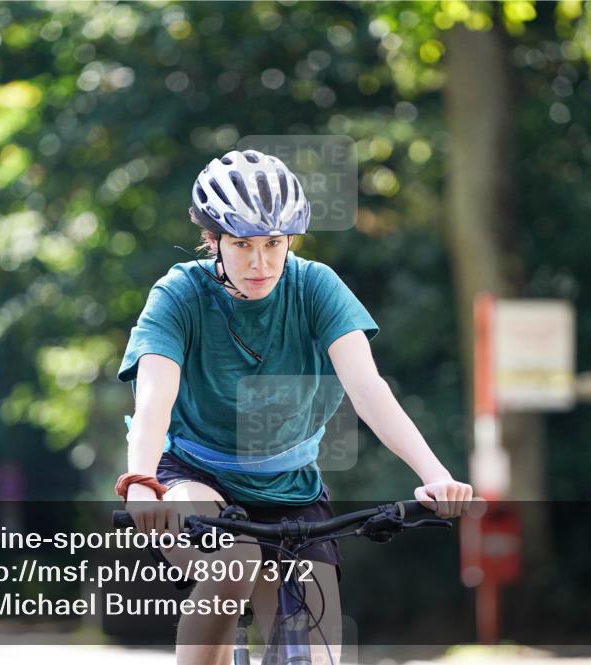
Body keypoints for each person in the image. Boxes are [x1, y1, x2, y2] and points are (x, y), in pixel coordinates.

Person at [116, 149, 473, 665]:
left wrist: (435, 475)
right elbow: (155, 396)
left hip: (291, 487)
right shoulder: (180, 294)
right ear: (213, 240)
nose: (260, 263)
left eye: (273, 244)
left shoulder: (316, 287)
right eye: (241, 244)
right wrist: (141, 482)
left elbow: (368, 388)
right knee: (233, 561)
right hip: (191, 473)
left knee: (319, 652)